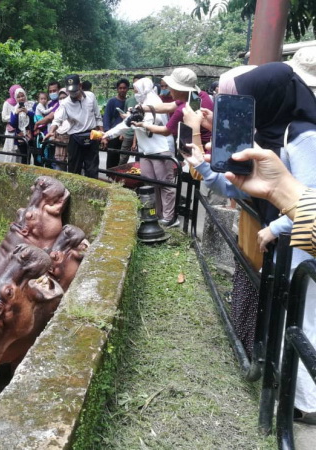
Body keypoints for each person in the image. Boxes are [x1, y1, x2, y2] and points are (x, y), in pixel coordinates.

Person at [182, 62, 316, 423]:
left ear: (271, 96)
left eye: (251, 98)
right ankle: (291, 390)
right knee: (288, 316)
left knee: (305, 318)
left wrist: (277, 227)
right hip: (293, 241)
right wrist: (207, 167)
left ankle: (305, 402)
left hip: (302, 246)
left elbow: (310, 192)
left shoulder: (303, 134)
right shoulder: (274, 134)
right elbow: (244, 184)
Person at [101, 77, 178, 227]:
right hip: (146, 151)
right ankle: (155, 214)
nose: (135, 93)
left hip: (161, 149)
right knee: (150, 183)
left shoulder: (155, 102)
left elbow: (156, 124)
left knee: (165, 184)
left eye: (137, 90)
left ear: (143, 89)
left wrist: (137, 121)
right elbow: (125, 124)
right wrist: (107, 135)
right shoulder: (141, 103)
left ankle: (169, 218)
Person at [46, 74, 103, 179]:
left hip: (92, 135)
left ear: (80, 86)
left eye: (75, 90)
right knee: (74, 171)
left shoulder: (91, 96)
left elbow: (98, 117)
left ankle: (92, 194)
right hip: (75, 138)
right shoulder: (65, 103)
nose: (73, 93)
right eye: (70, 91)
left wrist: (103, 134)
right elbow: (57, 119)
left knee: (92, 170)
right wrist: (52, 130)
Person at [103, 78, 129, 169]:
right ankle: (110, 175)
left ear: (127, 89)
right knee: (112, 156)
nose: (122, 90)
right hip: (113, 133)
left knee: (122, 157)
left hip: (124, 133)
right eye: (120, 88)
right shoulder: (112, 101)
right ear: (117, 89)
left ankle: (120, 177)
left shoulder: (128, 102)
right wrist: (107, 133)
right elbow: (106, 117)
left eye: (124, 88)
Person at [9, 87, 35, 164]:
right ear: (16, 98)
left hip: (33, 136)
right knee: (24, 158)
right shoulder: (14, 109)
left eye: (22, 96)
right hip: (21, 137)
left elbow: (36, 119)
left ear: (25, 95)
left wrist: (28, 112)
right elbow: (13, 124)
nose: (21, 98)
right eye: (18, 97)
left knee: (36, 158)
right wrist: (16, 114)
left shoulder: (32, 105)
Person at [1, 84, 24, 163]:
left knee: (20, 153)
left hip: (20, 130)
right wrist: (14, 115)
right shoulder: (7, 103)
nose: (19, 96)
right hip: (11, 131)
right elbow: (4, 118)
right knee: (11, 152)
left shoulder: (24, 103)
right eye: (17, 94)